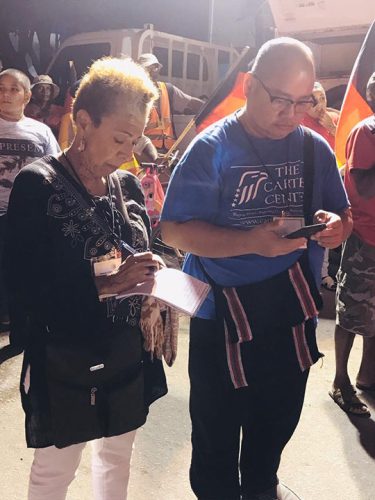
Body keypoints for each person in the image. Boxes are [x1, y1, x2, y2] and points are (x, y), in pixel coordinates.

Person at [161, 38, 352, 500]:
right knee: (215, 434)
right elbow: (173, 230)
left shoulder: (314, 150)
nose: (291, 113)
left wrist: (335, 228)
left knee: (276, 420)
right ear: (249, 86)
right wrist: (250, 242)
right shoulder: (212, 148)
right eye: (280, 99)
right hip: (219, 316)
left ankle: (263, 485)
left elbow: (342, 217)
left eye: (303, 101)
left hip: (291, 309)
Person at [4, 57, 168, 500]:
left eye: (134, 141)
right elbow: (19, 285)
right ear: (82, 120)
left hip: (124, 347)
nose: (127, 152)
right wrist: (106, 284)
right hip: (65, 352)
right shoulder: (37, 186)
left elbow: (135, 251)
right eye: (118, 138)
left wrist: (154, 279)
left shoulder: (128, 186)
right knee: (57, 466)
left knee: (118, 456)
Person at [0, 68, 60, 335]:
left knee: (26, 270)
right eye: (1, 88)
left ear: (26, 96)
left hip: (30, 215)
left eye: (14, 89)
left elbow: (56, 170)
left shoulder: (42, 132)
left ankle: (20, 326)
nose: (5, 94)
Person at [330, 72, 375, 418]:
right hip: (365, 236)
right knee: (351, 311)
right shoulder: (367, 131)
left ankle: (367, 375)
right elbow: (362, 183)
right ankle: (340, 380)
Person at [302, 81, 341, 291]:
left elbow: (347, 149)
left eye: (323, 97)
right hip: (307, 185)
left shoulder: (334, 119)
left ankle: (323, 273)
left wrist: (333, 129)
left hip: (332, 182)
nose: (320, 104)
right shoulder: (299, 122)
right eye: (314, 99)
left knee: (328, 228)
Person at [138, 53, 204, 152]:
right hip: (144, 151)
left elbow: (191, 102)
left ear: (158, 68)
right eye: (148, 68)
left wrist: (212, 106)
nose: (152, 70)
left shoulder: (168, 89)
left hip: (168, 150)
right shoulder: (135, 92)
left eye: (154, 67)